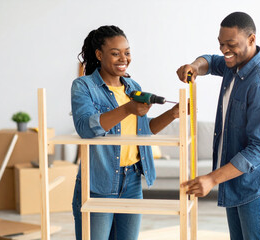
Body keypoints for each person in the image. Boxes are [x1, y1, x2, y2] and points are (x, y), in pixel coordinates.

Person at [177, 12, 260, 240]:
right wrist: (195, 67)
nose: (224, 50)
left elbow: (259, 149)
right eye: (221, 43)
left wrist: (212, 178)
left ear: (251, 40)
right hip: (237, 182)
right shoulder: (234, 63)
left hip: (258, 188)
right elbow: (210, 60)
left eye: (231, 44)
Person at [71, 25, 179, 240]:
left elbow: (142, 130)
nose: (124, 58)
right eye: (115, 53)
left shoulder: (132, 86)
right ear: (99, 55)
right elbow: (85, 128)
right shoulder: (83, 86)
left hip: (132, 181)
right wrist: (127, 108)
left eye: (127, 52)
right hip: (99, 181)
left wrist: (173, 113)